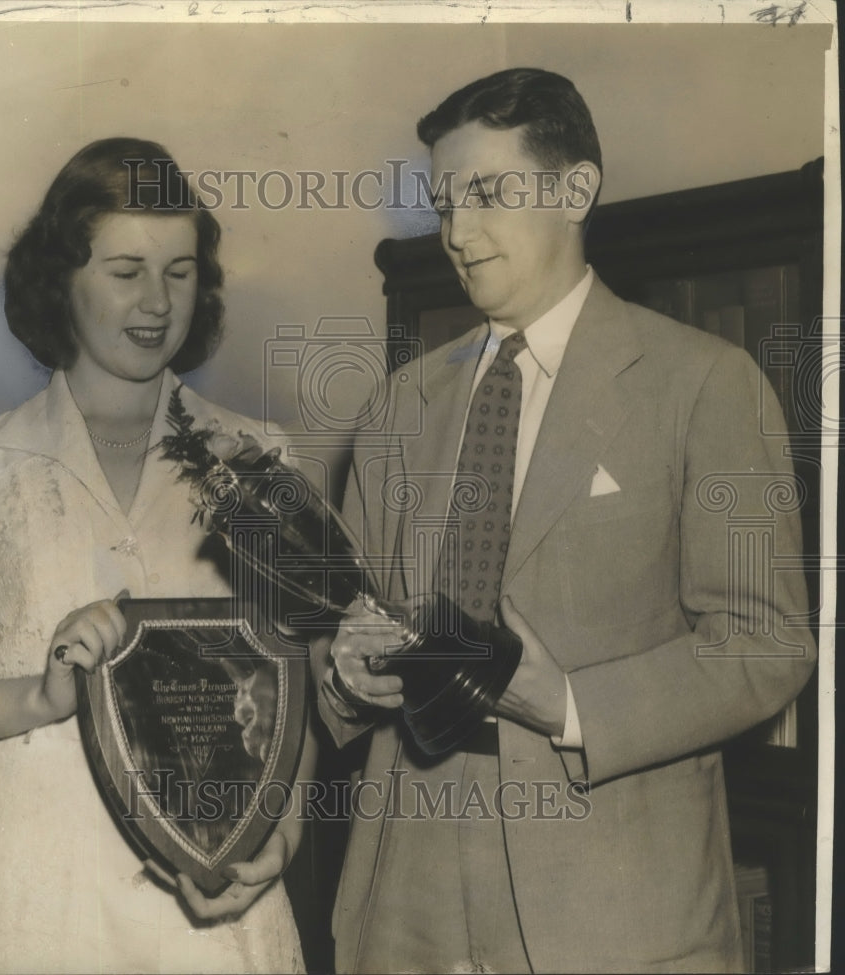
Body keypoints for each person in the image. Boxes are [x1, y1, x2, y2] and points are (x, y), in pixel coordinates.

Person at [314, 68, 816, 974]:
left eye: (488, 194)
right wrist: (346, 671)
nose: (458, 233)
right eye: (443, 202)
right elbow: (351, 631)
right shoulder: (397, 406)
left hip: (614, 911)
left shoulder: (706, 383)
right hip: (405, 904)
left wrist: (573, 706)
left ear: (576, 189)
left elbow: (766, 642)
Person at [0, 137, 311, 974]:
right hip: (34, 893)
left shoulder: (263, 458)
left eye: (180, 271)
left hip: (217, 904)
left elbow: (293, 680)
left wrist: (282, 834)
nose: (157, 301)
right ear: (62, 280)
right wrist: (40, 697)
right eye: (125, 270)